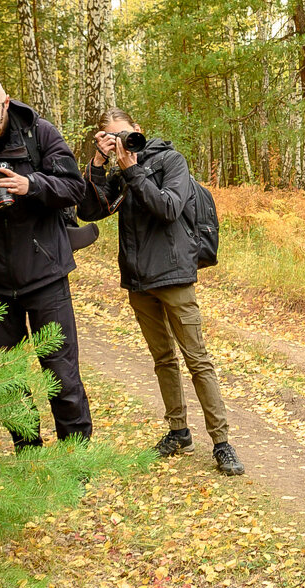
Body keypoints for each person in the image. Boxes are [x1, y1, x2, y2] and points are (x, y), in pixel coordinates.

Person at [77, 108, 244, 476]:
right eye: (112, 138)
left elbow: (168, 208)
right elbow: (90, 210)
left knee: (197, 359)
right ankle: (178, 431)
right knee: (163, 359)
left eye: (125, 134)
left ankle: (222, 442)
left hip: (173, 275)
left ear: (139, 130)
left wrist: (132, 169)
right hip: (138, 278)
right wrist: (100, 162)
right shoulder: (119, 169)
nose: (122, 142)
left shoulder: (170, 160)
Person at [0, 75, 92, 450]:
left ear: (6, 103)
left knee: (60, 368)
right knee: (3, 374)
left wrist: (31, 185)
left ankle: (76, 454)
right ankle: (27, 450)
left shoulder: (39, 132)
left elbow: (75, 187)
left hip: (45, 274)